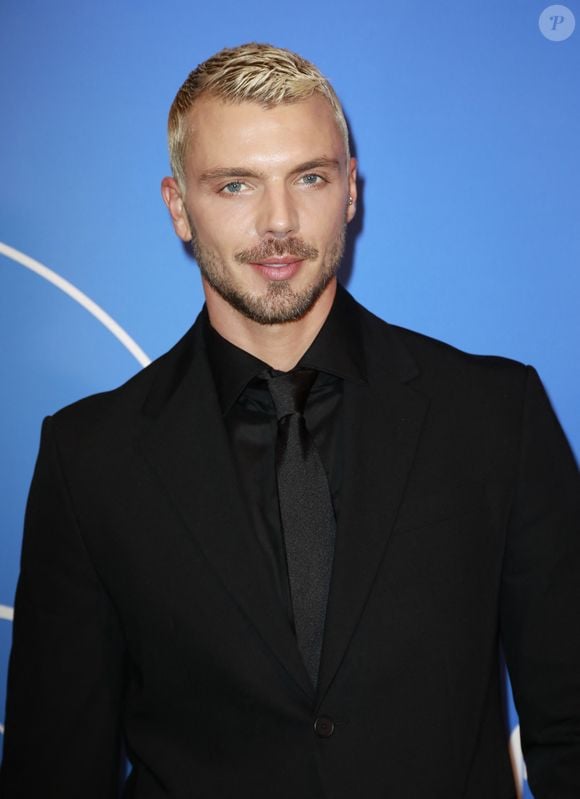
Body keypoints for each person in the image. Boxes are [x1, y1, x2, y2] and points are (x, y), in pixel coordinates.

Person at [1, 42, 579, 799]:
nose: (279, 222)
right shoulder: (90, 458)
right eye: (236, 185)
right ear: (178, 207)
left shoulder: (495, 416)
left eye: (309, 177)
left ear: (350, 191)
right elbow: (53, 770)